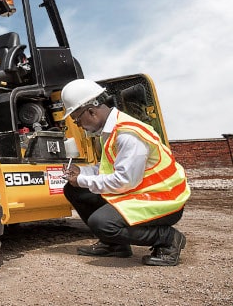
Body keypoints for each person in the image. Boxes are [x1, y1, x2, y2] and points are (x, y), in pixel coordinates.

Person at [60, 79, 190, 266]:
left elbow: (124, 181)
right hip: (139, 190)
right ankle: (115, 245)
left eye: (77, 119)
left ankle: (167, 238)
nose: (78, 125)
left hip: (163, 200)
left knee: (103, 223)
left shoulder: (128, 134)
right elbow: (108, 169)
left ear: (91, 111)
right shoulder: (110, 131)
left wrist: (81, 179)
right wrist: (82, 172)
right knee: (74, 190)